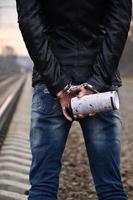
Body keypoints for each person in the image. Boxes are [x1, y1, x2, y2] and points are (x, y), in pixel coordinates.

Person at [16, 0, 132, 199]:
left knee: (42, 187)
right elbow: (119, 23)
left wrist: (59, 86)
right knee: (111, 188)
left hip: (50, 85)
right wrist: (96, 83)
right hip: (101, 89)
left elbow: (30, 23)